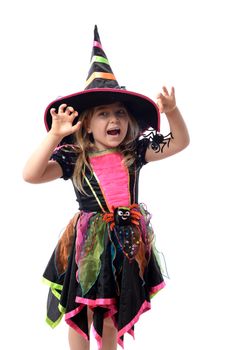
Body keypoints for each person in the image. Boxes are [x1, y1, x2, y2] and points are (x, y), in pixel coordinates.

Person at [23, 26, 189, 350]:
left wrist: (172, 112)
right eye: (103, 114)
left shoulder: (134, 153)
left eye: (119, 113)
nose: (113, 120)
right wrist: (55, 135)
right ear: (85, 123)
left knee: (112, 311)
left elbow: (180, 142)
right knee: (83, 310)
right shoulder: (74, 158)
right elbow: (31, 174)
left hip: (126, 240)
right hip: (88, 245)